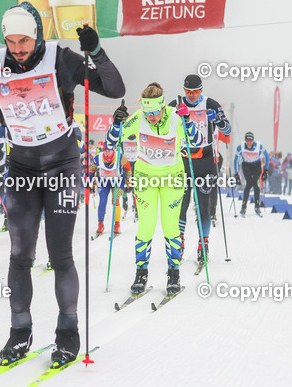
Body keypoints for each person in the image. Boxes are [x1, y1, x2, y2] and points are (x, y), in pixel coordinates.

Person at [0, 2, 124, 367]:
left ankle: (68, 332)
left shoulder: (62, 59)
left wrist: (97, 52)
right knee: (20, 255)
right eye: (12, 41)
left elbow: (115, 88)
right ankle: (20, 330)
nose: (18, 48)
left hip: (62, 166)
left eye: (24, 40)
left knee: (60, 254)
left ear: (37, 35)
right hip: (22, 169)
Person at [107, 85, 195, 293]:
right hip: (145, 178)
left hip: (172, 178)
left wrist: (188, 121)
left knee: (170, 226)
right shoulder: (138, 118)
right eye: (148, 112)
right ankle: (141, 273)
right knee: (145, 226)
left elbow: (196, 142)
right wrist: (117, 123)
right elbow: (112, 142)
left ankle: (173, 274)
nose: (152, 117)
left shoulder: (175, 116)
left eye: (155, 112)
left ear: (163, 106)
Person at [171, 74, 231, 268]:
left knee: (203, 204)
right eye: (188, 92)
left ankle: (203, 244)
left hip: (205, 160)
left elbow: (228, 130)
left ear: (201, 90)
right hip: (183, 160)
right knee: (181, 204)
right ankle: (178, 243)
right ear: (184, 90)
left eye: (196, 91)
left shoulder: (211, 104)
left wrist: (219, 122)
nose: (192, 95)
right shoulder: (176, 104)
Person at [93, 145, 125, 236]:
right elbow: (92, 169)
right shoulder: (98, 157)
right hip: (104, 182)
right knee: (102, 201)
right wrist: (91, 181)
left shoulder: (120, 156)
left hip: (117, 182)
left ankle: (117, 225)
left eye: (109, 151)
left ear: (113, 150)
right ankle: (100, 225)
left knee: (116, 200)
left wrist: (128, 180)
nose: (107, 153)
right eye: (105, 151)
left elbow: (128, 167)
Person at [234, 132, 268, 215]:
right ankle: (244, 206)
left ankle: (257, 206)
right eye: (247, 140)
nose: (249, 142)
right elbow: (235, 161)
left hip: (256, 165)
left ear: (253, 140)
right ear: (245, 140)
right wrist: (236, 174)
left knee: (255, 184)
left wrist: (265, 171)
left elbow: (267, 156)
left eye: (251, 140)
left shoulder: (259, 146)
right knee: (248, 184)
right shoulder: (240, 147)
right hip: (246, 165)